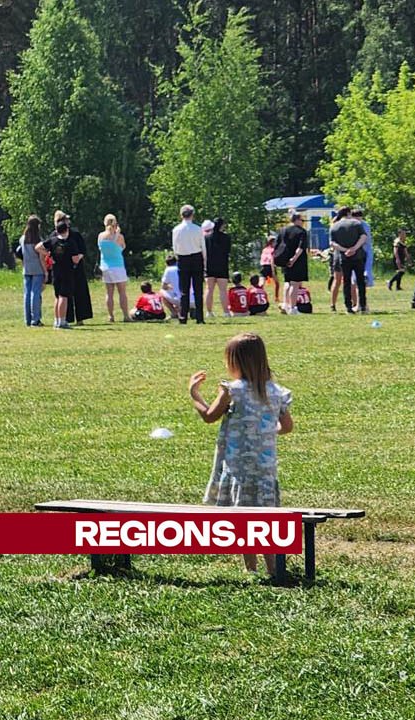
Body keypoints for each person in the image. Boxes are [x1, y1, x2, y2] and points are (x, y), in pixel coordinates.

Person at [191, 332, 294, 576]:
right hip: (266, 469)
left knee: (244, 519)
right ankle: (275, 569)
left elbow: (209, 416)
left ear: (235, 363)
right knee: (266, 519)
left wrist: (194, 394)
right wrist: (264, 430)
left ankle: (251, 570)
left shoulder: (232, 390)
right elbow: (287, 427)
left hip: (239, 468)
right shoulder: (277, 392)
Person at [36, 216, 77, 329]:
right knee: (64, 296)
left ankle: (56, 320)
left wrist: (48, 254)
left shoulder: (52, 241)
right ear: (66, 230)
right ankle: (62, 321)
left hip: (56, 270)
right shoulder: (70, 243)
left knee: (57, 296)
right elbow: (75, 259)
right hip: (67, 271)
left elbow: (38, 247)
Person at [329, 206, 368, 314]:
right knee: (360, 282)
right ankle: (363, 306)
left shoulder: (334, 226)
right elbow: (364, 237)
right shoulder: (356, 224)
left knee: (346, 282)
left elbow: (332, 243)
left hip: (344, 257)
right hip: (358, 256)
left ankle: (348, 307)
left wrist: (345, 250)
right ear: (349, 213)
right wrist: (354, 248)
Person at [56, 211, 93, 325]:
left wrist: (77, 259)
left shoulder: (75, 234)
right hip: (62, 269)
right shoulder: (54, 236)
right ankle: (66, 318)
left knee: (80, 292)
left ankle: (81, 317)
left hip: (76, 268)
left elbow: (82, 250)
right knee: (64, 295)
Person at [172, 204, 206, 324]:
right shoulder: (198, 229)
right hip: (196, 257)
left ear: (181, 215)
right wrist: (204, 261)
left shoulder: (176, 230)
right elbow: (203, 247)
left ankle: (183, 317)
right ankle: (200, 317)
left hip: (183, 258)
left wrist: (178, 256)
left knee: (184, 290)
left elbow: (175, 247)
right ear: (192, 215)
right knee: (198, 290)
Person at [98, 213, 131, 323]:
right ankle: (126, 315)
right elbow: (123, 247)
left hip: (105, 266)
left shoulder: (101, 236)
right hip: (118, 266)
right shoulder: (119, 237)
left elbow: (100, 248)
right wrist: (117, 233)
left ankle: (111, 316)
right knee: (122, 292)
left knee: (109, 293)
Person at [19, 215, 48, 327]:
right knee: (35, 293)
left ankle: (27, 319)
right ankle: (35, 319)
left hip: (26, 268)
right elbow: (41, 257)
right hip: (37, 268)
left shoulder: (22, 239)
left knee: (27, 294)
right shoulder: (38, 240)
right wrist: (45, 271)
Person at [278, 212, 309, 314]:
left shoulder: (283, 230)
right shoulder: (301, 232)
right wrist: (293, 259)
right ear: (297, 220)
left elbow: (278, 246)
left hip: (284, 259)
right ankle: (293, 308)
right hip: (297, 261)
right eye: (302, 220)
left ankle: (285, 304)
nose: (303, 222)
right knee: (295, 284)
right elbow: (300, 248)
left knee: (287, 282)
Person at [205, 217, 231, 317]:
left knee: (209, 289)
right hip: (222, 265)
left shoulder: (207, 238)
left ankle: (209, 312)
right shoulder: (226, 237)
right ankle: (226, 312)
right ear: (222, 225)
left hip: (210, 265)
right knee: (223, 290)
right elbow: (228, 251)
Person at [352, 208, 374, 288]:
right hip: (356, 249)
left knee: (367, 266)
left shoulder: (365, 225)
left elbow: (365, 238)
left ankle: (366, 279)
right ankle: (356, 281)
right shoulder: (352, 225)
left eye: (359, 216)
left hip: (365, 248)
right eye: (356, 216)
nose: (358, 218)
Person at [259, 235, 281, 303]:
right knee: (277, 283)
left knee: (261, 284)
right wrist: (273, 271)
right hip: (270, 267)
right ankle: (276, 297)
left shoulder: (264, 249)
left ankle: (259, 295)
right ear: (272, 242)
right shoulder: (273, 250)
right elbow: (272, 260)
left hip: (263, 266)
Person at [160, 254, 182, 319]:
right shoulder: (182, 267)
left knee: (162, 292)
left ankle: (174, 312)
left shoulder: (168, 270)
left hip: (180, 299)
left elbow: (163, 286)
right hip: (192, 299)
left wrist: (170, 287)